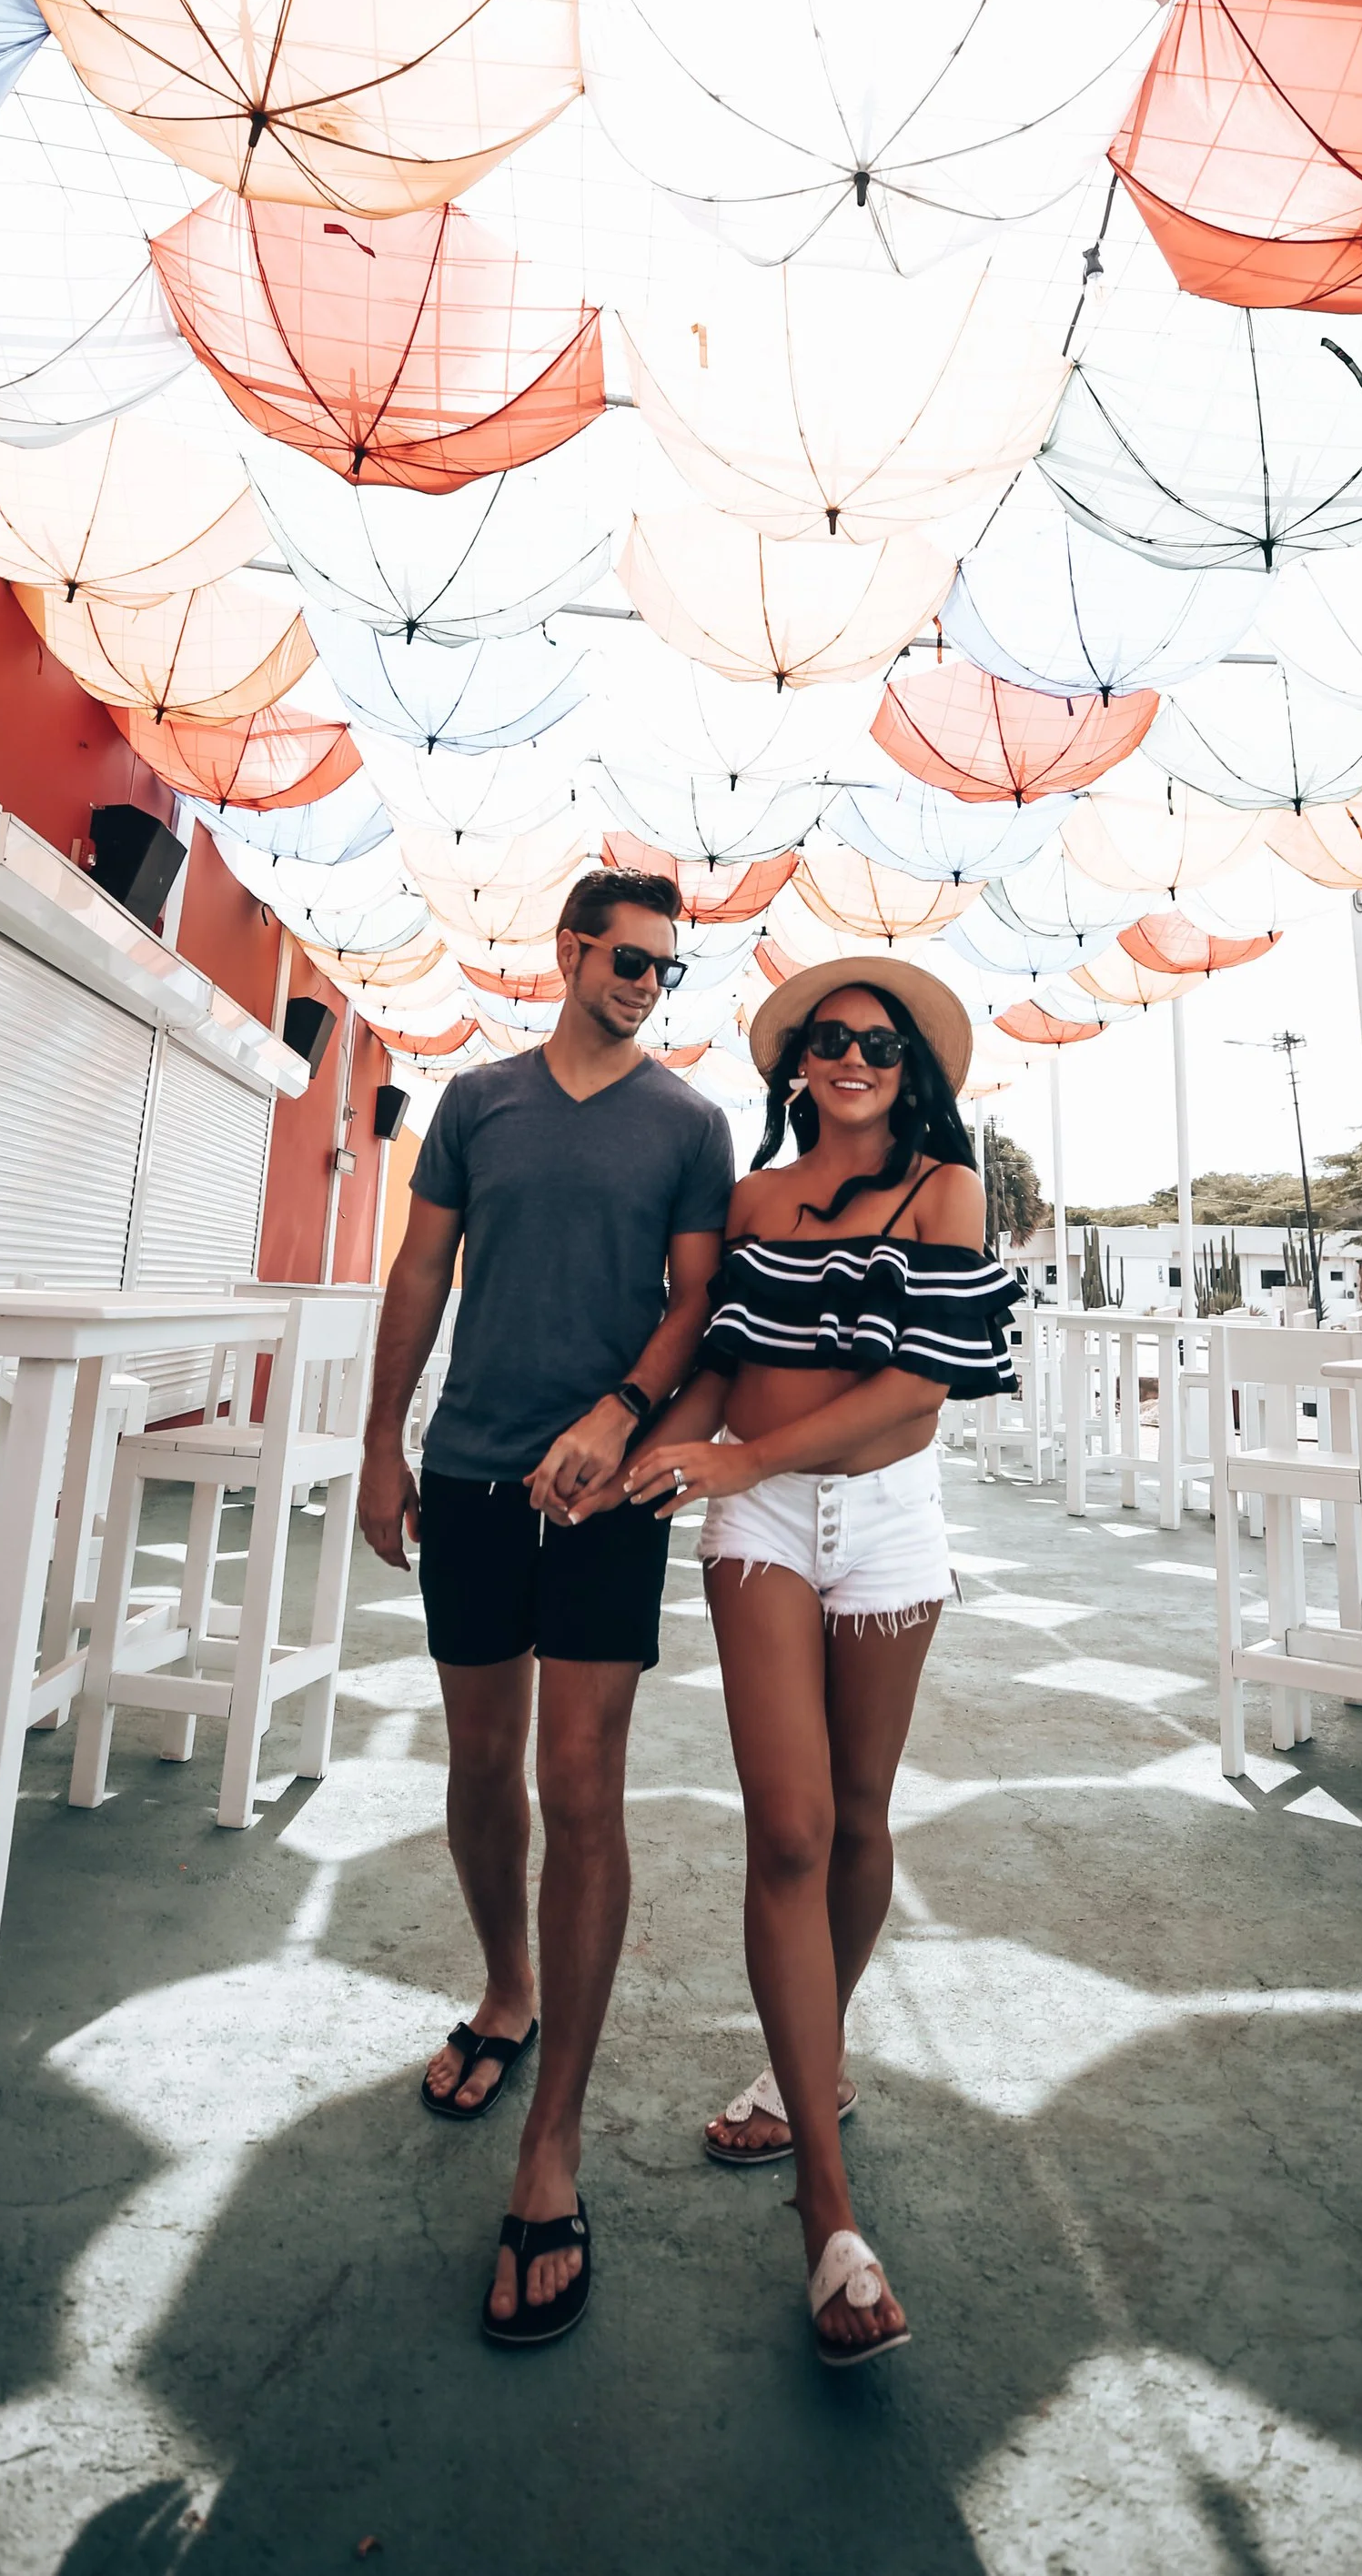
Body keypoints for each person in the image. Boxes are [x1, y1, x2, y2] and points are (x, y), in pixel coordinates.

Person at [601, 957, 1017, 2369]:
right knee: (789, 1829)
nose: (851, 1057)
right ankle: (828, 2221)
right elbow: (722, 1353)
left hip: (885, 1520)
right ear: (794, 1067)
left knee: (858, 1815)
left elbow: (911, 1402)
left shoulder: (950, 1193)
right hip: (760, 1518)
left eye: (879, 1045)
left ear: (913, 1073)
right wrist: (667, 1444)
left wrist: (739, 1451)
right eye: (829, 1039)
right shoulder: (756, 1202)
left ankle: (806, 2074)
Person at [358, 868, 733, 2349]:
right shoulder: (478, 1101)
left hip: (605, 1489)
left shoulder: (691, 1124)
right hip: (465, 1470)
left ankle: (554, 2140)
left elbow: (697, 1299)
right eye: (630, 957)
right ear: (570, 948)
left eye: (667, 968)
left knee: (582, 1787)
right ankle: (505, 1990)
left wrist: (623, 1414)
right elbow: (421, 1266)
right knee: (477, 1770)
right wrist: (381, 1440)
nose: (647, 981)